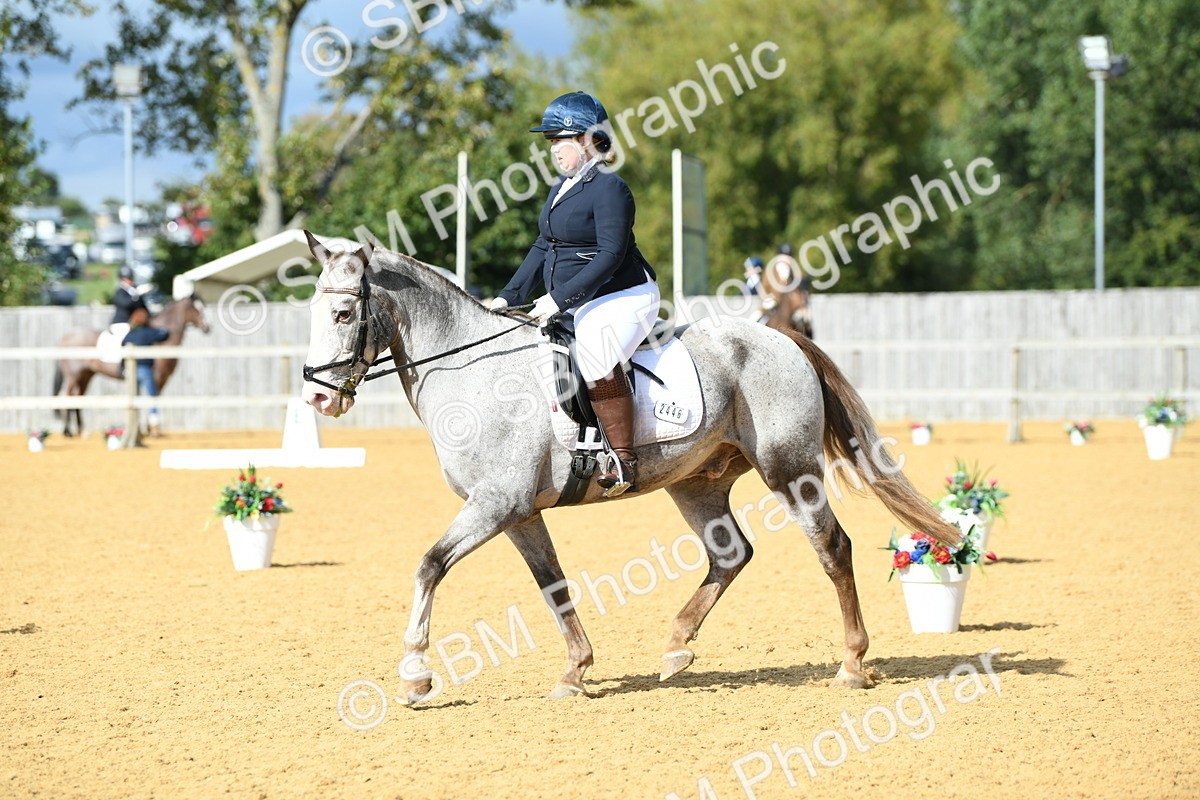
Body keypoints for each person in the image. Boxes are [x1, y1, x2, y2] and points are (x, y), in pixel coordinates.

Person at [489, 90, 659, 497]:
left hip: (626, 294)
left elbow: (611, 254)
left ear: (587, 140)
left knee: (597, 350)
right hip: (581, 297)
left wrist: (558, 298)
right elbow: (542, 246)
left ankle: (623, 460)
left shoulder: (609, 187)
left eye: (560, 140)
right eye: (549, 142)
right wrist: (507, 298)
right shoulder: (561, 188)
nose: (552, 149)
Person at [122, 308, 169, 436]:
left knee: (133, 399)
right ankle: (154, 426)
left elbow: (122, 344)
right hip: (145, 369)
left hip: (131, 372)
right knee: (151, 398)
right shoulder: (148, 332)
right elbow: (164, 335)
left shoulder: (130, 334)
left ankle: (133, 426)